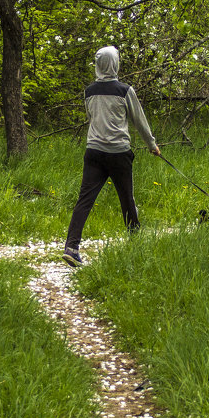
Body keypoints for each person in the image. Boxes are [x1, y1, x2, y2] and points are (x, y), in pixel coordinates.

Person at [62, 45, 160, 267]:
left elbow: (91, 118)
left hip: (94, 152)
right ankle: (136, 243)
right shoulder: (125, 91)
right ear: (115, 63)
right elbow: (139, 121)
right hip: (119, 154)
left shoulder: (88, 92)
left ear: (98, 64)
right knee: (127, 198)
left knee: (84, 200)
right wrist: (152, 145)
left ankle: (71, 247)